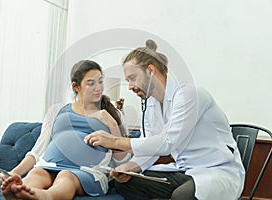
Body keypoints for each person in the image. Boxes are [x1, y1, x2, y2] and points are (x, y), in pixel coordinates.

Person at [84, 40, 245, 200]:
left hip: (216, 172)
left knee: (182, 196)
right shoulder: (151, 103)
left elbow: (168, 142)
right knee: (126, 183)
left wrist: (114, 141)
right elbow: (150, 148)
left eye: (133, 78)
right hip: (185, 171)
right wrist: (128, 168)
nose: (130, 86)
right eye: (128, 81)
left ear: (151, 71)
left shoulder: (189, 94)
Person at [0, 60, 131, 200]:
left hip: (87, 171)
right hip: (48, 165)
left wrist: (112, 125)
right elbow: (37, 152)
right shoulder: (57, 111)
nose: (98, 88)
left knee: (66, 177)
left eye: (100, 81)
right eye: (91, 83)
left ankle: (46, 196)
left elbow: (122, 162)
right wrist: (13, 173)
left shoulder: (113, 113)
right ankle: (17, 191)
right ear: (76, 87)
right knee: (36, 174)